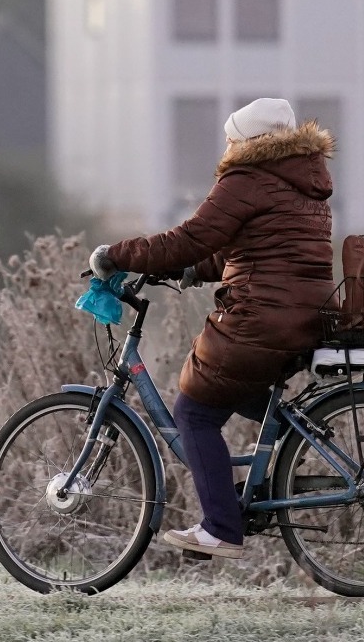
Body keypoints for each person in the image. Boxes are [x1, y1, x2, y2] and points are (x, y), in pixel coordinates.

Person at [89, 97, 335, 560]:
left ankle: (220, 528)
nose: (226, 147)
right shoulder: (304, 181)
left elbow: (190, 237)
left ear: (250, 141)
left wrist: (116, 255)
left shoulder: (247, 178)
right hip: (308, 314)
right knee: (230, 385)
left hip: (261, 316)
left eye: (231, 138)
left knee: (195, 413)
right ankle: (296, 436)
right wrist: (193, 270)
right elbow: (251, 247)